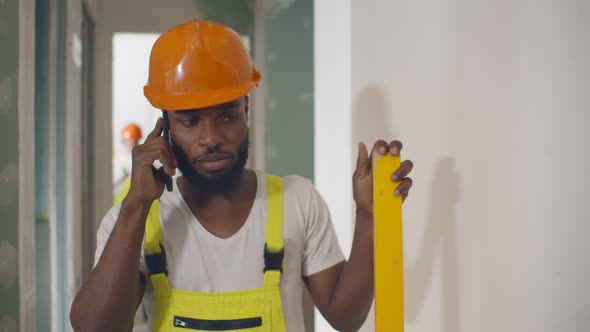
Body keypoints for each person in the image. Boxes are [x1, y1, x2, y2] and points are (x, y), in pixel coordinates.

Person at [70, 20, 414, 332]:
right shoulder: (136, 220)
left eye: (226, 116)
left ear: (246, 110)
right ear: (166, 127)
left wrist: (370, 216)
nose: (211, 137)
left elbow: (346, 317)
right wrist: (135, 205)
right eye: (189, 121)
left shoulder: (297, 200)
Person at [114, 123, 143, 204]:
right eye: (130, 142)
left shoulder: (143, 161)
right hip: (119, 209)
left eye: (133, 142)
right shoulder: (117, 164)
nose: (131, 145)